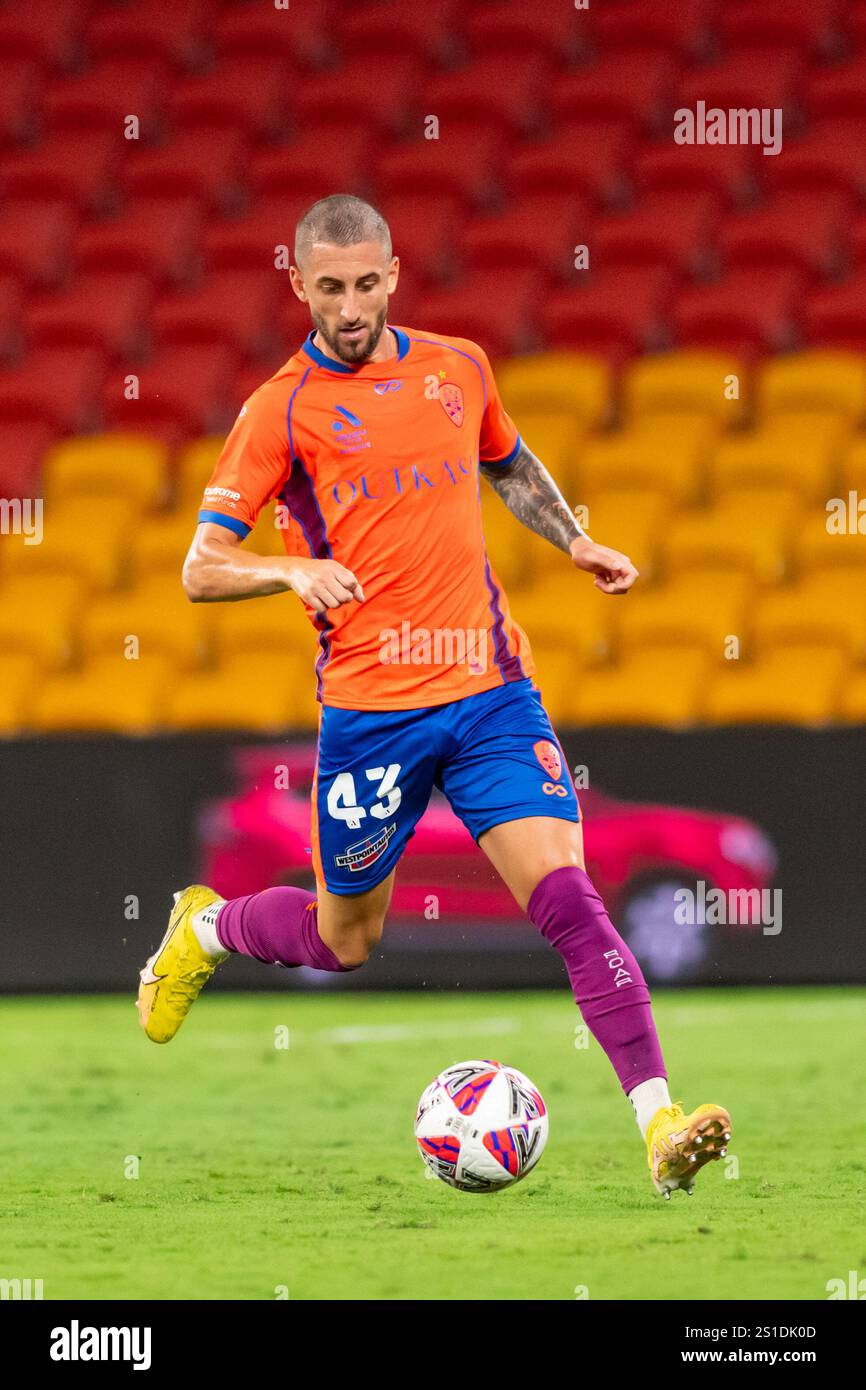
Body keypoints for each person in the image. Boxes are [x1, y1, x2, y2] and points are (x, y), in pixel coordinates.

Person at [137, 194, 731, 1198]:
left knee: (572, 903)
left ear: (393, 272)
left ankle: (657, 1123)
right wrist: (288, 575)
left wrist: (572, 538)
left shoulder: (457, 366)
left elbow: (507, 461)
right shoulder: (277, 409)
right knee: (343, 939)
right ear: (298, 284)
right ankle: (203, 928)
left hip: (492, 691)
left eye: (367, 282)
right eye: (330, 287)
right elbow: (199, 568)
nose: (351, 304)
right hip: (372, 715)